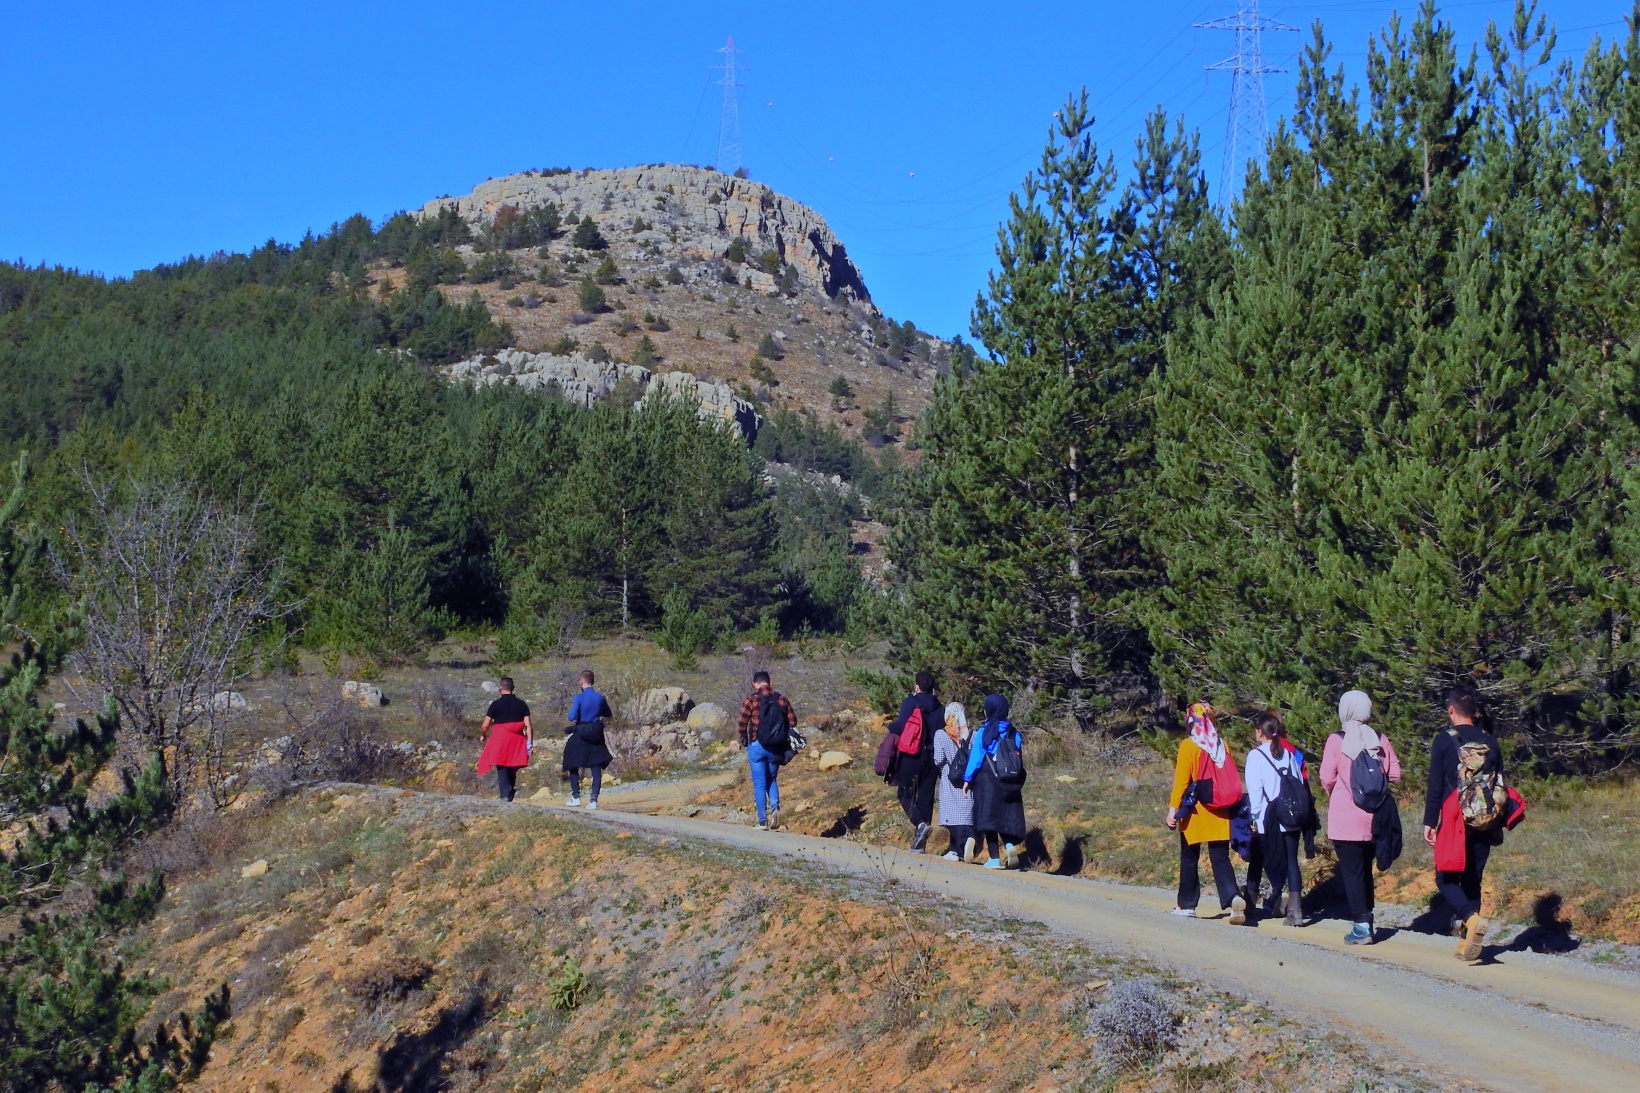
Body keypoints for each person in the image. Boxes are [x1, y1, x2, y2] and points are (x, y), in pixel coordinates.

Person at [1424, 680, 1504, 962]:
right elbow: (1500, 785)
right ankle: (1466, 942)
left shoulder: (1444, 739)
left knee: (1445, 876)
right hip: (1485, 819)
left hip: (1455, 818)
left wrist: (1429, 821)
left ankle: (1470, 920)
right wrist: (1498, 824)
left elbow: (1435, 785)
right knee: (1473, 879)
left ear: (1451, 709)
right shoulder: (1490, 741)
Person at [1320, 690, 1401, 945]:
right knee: (1366, 870)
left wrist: (1340, 788)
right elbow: (1396, 774)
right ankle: (1368, 917)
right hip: (1375, 818)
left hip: (1345, 818)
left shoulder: (1336, 740)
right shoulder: (1379, 738)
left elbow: (1326, 777)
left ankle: (1361, 926)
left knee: (1353, 872)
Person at [1165, 702, 1245, 922]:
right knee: (1220, 857)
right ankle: (1233, 899)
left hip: (1196, 810)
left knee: (1189, 856)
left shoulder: (1188, 746)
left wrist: (1173, 810)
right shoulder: (1222, 745)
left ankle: (1187, 904)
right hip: (1220, 809)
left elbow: (1181, 782)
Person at [1244, 711, 1306, 926]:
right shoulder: (1288, 754)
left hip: (1269, 819)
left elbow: (1255, 791)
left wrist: (1254, 818)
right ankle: (1295, 910)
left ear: (1260, 732)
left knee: (1258, 859)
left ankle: (1249, 905)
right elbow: (1298, 782)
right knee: (1291, 861)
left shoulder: (1256, 756)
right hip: (1292, 816)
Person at [961, 694, 1027, 869]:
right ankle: (1010, 845)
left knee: (988, 819)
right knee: (1006, 816)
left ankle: (995, 859)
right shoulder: (1015, 733)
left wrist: (967, 779)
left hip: (988, 780)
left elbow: (976, 757)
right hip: (1010, 780)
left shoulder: (984, 732)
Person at [889, 671, 944, 852]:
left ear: (916, 686)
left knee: (905, 793)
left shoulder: (911, 702)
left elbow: (901, 726)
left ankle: (920, 824)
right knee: (925, 798)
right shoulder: (940, 708)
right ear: (933, 688)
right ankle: (921, 844)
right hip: (933, 758)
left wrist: (890, 727)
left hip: (912, 756)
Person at [736, 670, 796, 830]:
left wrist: (744, 740)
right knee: (772, 779)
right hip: (776, 747)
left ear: (754, 684)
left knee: (759, 783)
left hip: (757, 745)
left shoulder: (751, 700)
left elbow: (742, 723)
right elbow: (793, 722)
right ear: (770, 682)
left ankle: (762, 821)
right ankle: (775, 809)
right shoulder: (782, 699)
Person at [476, 676, 532, 802]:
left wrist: (483, 734)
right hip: (517, 740)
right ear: (513, 688)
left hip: (500, 740)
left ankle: (505, 795)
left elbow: (486, 724)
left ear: (500, 688)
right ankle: (510, 791)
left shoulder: (495, 704)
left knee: (502, 765)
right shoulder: (522, 704)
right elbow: (528, 726)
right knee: (513, 764)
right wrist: (530, 743)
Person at [563, 669, 613, 809]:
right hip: (596, 733)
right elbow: (608, 713)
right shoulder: (600, 698)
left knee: (571, 762)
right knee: (596, 765)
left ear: (581, 681)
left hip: (581, 732)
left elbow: (571, 717)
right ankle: (593, 801)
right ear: (593, 681)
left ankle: (576, 797)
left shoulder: (579, 698)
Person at [933, 702, 975, 861]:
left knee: (952, 817)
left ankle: (958, 847)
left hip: (950, 778)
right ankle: (962, 846)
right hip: (968, 779)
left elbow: (938, 760)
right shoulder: (972, 734)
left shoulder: (941, 734)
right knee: (966, 813)